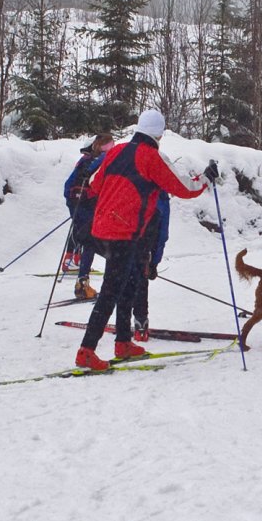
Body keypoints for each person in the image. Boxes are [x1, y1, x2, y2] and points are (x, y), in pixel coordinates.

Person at [75, 110, 210, 371]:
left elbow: (93, 183)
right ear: (158, 134)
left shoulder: (116, 151)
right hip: (123, 233)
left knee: (130, 283)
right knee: (112, 291)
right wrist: (205, 178)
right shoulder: (151, 156)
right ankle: (86, 351)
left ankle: (123, 342)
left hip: (105, 229)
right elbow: (184, 188)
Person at [63, 134, 114, 299]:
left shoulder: (86, 159)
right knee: (91, 242)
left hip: (74, 200)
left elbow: (69, 185)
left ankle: (77, 270)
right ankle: (83, 282)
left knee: (85, 238)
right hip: (87, 203)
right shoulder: (103, 159)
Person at [129, 190, 171, 343]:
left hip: (122, 239)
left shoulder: (133, 182)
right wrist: (154, 263)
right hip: (143, 245)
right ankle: (140, 325)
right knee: (140, 281)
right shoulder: (161, 196)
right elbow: (162, 236)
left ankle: (121, 326)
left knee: (122, 282)